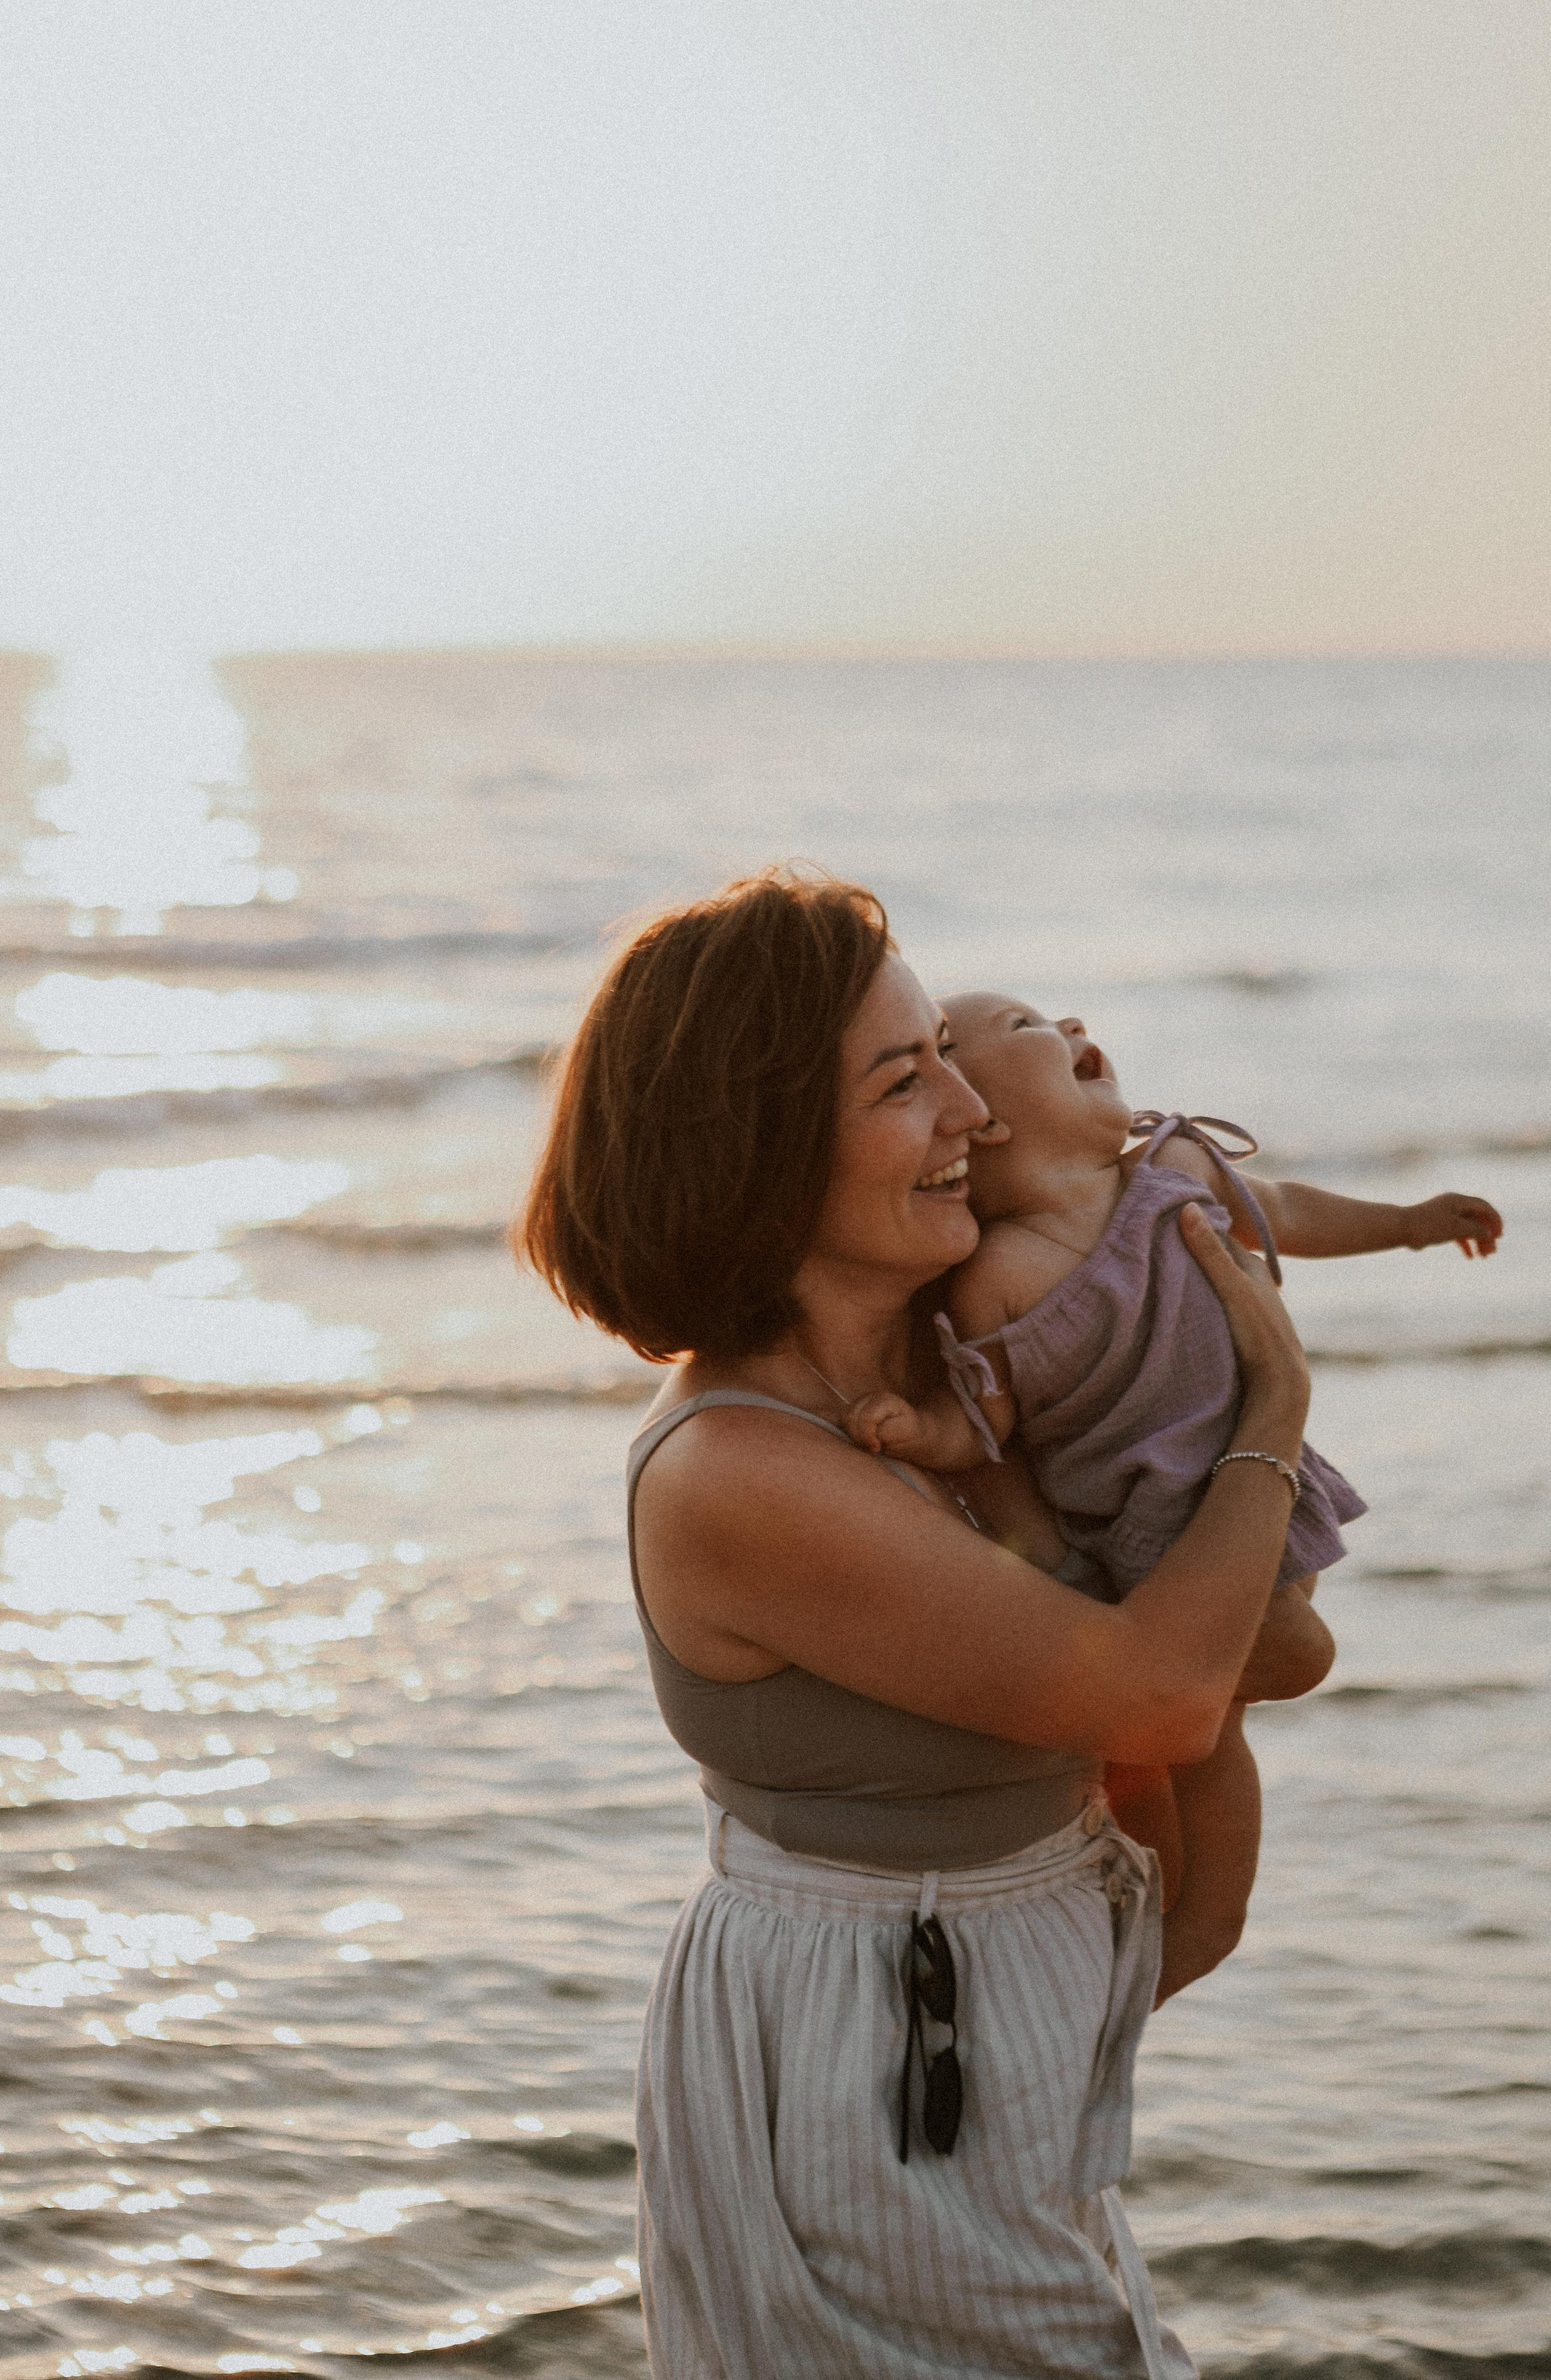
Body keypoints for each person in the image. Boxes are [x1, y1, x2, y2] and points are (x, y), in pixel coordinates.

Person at [519, 871, 1320, 2380]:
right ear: (756, 1152)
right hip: (876, 2067)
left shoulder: (965, 1392)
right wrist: (1269, 1408)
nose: (973, 1109)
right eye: (904, 1079)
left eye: (950, 1057)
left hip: (988, 2041)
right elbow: (1157, 1698)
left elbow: (1251, 1662)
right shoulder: (739, 1473)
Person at [842, 991, 1502, 2000]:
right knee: (1204, 1738)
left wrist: (1407, 1225)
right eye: (1030, 1027)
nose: (1067, 1024)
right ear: (990, 1116)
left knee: (1231, 1696)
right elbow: (988, 1417)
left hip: (1257, 1484)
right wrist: (922, 1429)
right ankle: (1198, 1922)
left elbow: (1282, 1208)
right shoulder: (998, 1276)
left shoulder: (1175, 1174)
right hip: (1143, 1533)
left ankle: (1190, 1907)